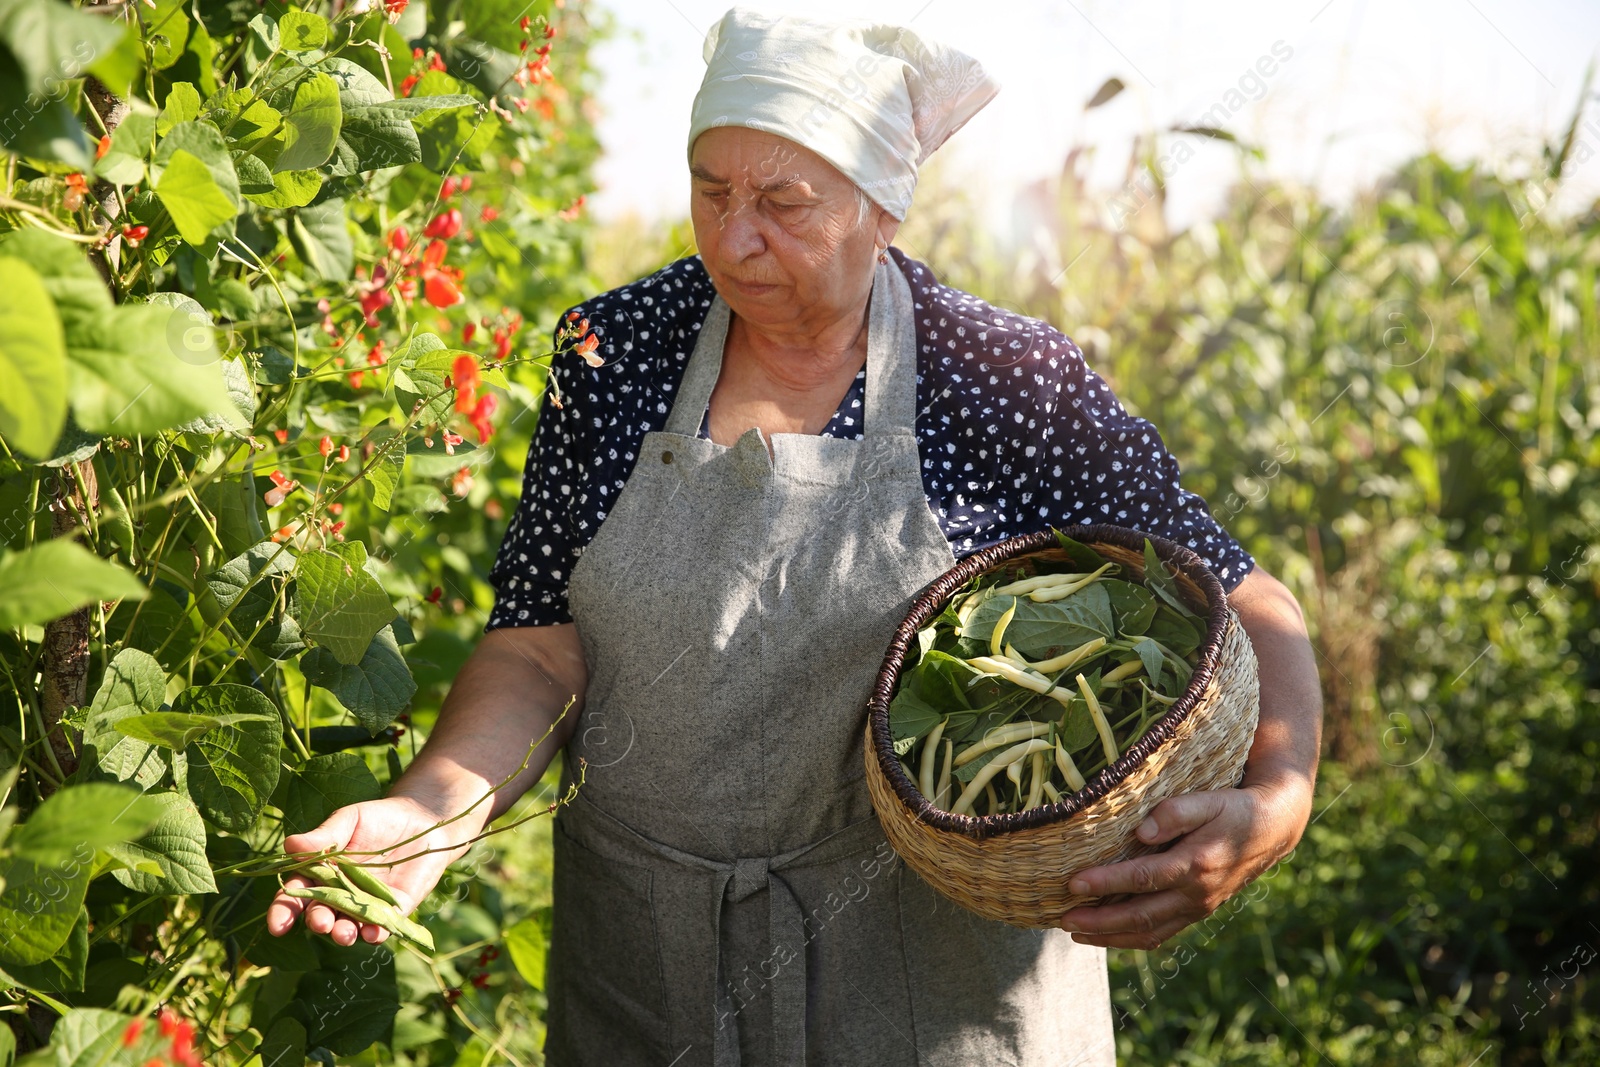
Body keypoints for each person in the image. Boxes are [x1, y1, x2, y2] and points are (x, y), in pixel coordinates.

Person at [266, 7, 1324, 1065]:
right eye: (712, 192)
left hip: (929, 997)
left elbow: (1236, 592)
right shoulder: (617, 349)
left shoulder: (999, 377)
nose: (734, 238)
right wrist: (429, 813)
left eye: (783, 202)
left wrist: (1276, 800)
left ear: (882, 210)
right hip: (651, 977)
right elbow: (543, 639)